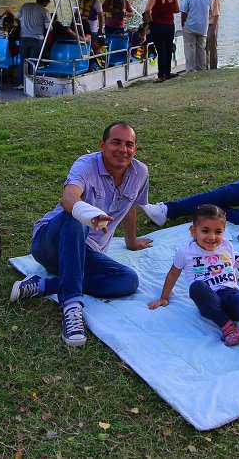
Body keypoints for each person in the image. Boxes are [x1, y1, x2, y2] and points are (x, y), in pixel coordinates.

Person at [10, 123, 152, 346]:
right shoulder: (86, 165)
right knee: (75, 217)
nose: (123, 149)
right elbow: (68, 198)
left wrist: (131, 241)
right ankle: (71, 304)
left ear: (135, 149)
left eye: (129, 144)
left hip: (87, 255)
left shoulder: (139, 172)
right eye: (116, 142)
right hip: (51, 244)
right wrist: (87, 213)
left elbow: (130, 207)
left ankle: (46, 285)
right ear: (102, 145)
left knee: (128, 281)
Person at [148, 205, 239, 368]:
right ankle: (228, 327)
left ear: (224, 231)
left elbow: (231, 267)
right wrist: (164, 297)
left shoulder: (227, 245)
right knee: (197, 287)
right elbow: (172, 274)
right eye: (205, 231)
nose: (212, 237)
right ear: (193, 231)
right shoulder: (185, 252)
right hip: (209, 301)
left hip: (231, 296)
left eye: (218, 232)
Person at [144, 0, 180, 82]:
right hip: (170, 25)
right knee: (169, 49)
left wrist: (151, 21)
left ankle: (161, 75)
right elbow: (177, 9)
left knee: (161, 49)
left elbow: (147, 10)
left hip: (157, 25)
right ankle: (168, 72)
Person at [180, 0, 211, 73]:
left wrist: (183, 23)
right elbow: (210, 10)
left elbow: (184, 11)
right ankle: (201, 68)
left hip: (190, 25)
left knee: (190, 48)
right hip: (202, 26)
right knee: (201, 48)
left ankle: (190, 70)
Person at [17, 0, 53, 75]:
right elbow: (49, 28)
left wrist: (22, 26)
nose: (48, 3)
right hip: (37, 39)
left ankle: (20, 83)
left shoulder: (25, 6)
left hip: (23, 37)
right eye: (48, 1)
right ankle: (31, 81)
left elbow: (16, 18)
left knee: (22, 61)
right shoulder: (45, 11)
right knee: (34, 62)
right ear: (44, 1)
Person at [202, 0, 221, 70]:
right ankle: (205, 66)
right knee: (203, 47)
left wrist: (214, 27)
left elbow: (216, 13)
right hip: (203, 24)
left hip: (211, 24)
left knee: (212, 47)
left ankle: (213, 68)